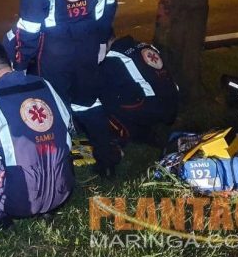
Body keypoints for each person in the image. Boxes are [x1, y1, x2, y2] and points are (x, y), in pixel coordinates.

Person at [0, 42, 74, 226]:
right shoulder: (44, 83)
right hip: (62, 189)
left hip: (19, 200)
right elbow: (68, 125)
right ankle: (47, 205)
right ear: (8, 62)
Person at [71, 34, 179, 178]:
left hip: (153, 107)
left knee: (99, 102)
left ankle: (117, 143)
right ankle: (146, 132)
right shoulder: (142, 45)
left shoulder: (112, 58)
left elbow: (101, 91)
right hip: (172, 102)